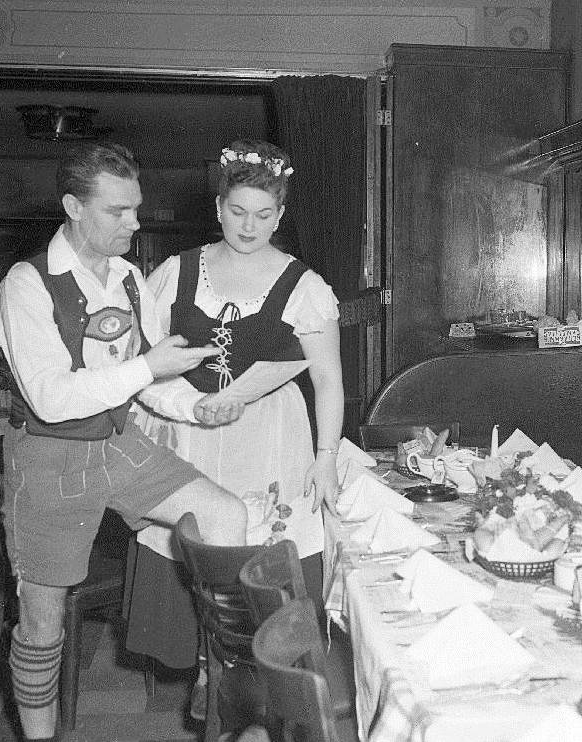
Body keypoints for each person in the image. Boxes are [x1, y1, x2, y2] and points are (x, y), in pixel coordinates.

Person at [0, 141, 250, 742]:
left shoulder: (130, 278)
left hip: (118, 442)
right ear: (73, 208)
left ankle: (217, 677)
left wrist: (197, 406)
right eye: (118, 211)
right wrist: (151, 369)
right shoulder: (27, 284)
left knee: (224, 513)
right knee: (42, 625)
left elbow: (147, 382)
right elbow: (54, 398)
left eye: (136, 207)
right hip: (49, 458)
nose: (135, 223)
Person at [125, 138, 343, 725]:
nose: (250, 226)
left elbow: (326, 382)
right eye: (239, 211)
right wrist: (183, 406)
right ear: (219, 207)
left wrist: (326, 457)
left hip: (271, 437)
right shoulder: (176, 272)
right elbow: (143, 357)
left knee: (261, 559)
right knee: (201, 553)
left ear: (281, 215)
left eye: (265, 214)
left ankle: (260, 683)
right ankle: (207, 669)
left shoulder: (306, 287)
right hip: (190, 426)